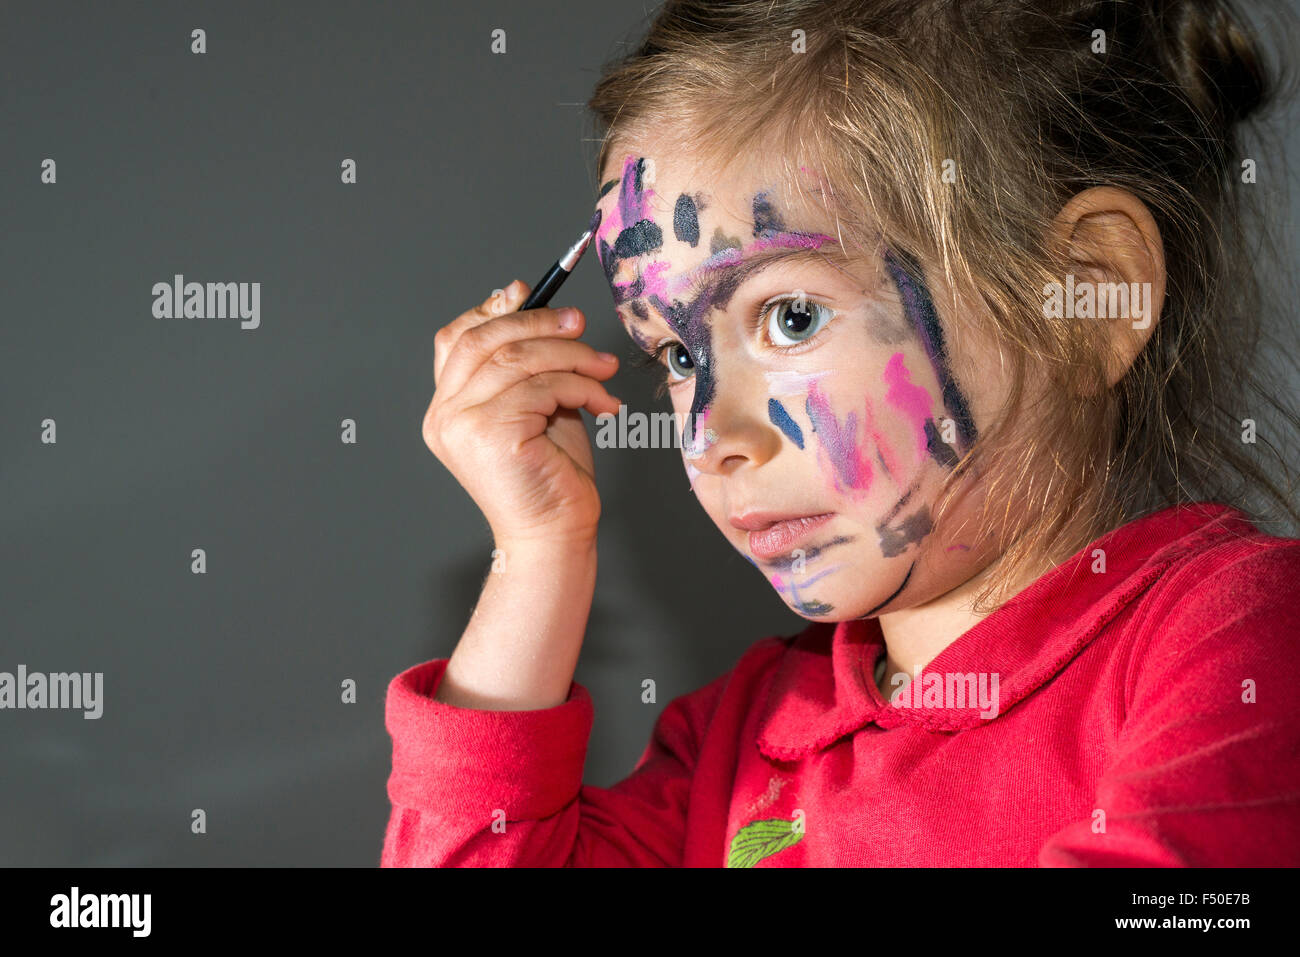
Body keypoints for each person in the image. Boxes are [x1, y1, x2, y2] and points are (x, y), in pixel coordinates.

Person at [383, 0, 1300, 866]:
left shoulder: (1238, 637)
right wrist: (540, 550)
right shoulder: (740, 740)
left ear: (1087, 298)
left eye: (788, 318)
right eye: (675, 355)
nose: (710, 437)